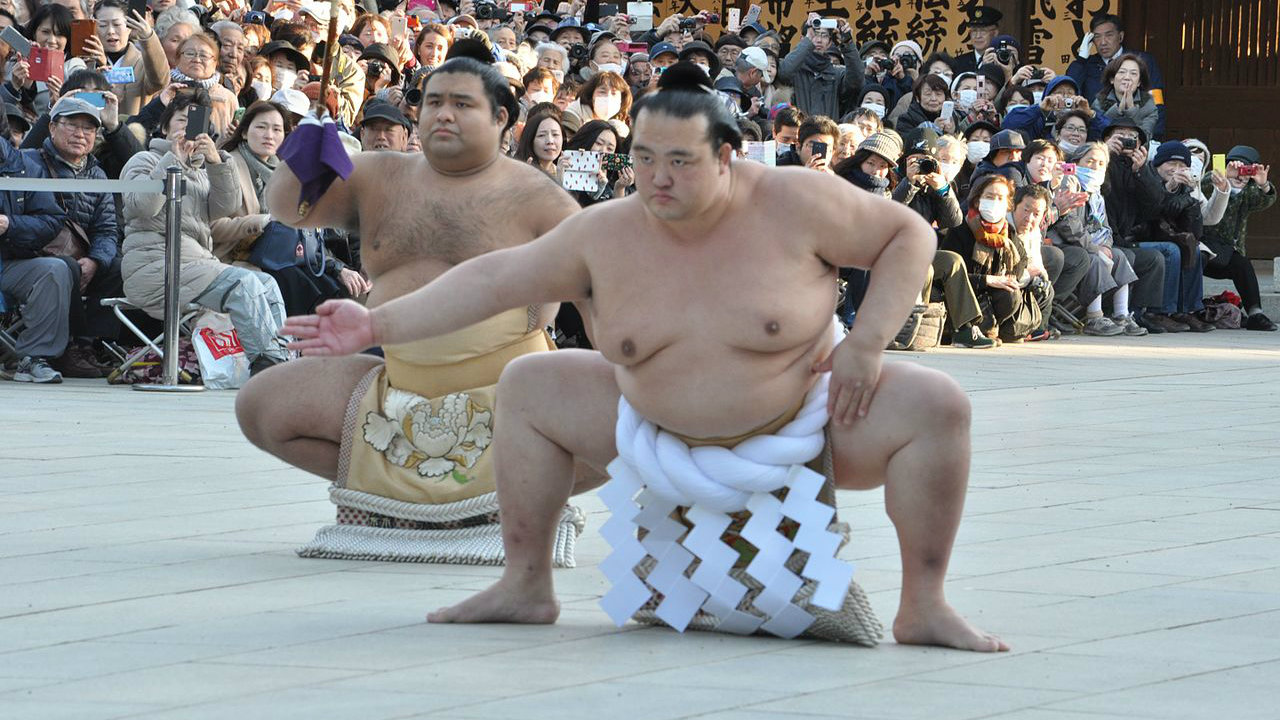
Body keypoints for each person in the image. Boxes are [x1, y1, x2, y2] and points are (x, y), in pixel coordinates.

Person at [281, 63, 1007, 653]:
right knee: (531, 382)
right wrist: (375, 322)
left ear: (726, 156)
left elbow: (909, 235)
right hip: (650, 428)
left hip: (808, 423)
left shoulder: (797, 201)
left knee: (937, 403)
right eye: (644, 159)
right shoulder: (607, 232)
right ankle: (525, 584)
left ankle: (925, 604)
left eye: (680, 162)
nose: (658, 178)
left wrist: (868, 343)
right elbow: (495, 279)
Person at [236, 58, 582, 546]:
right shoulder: (377, 175)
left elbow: (594, 288)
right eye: (434, 102)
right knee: (261, 406)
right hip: (399, 385)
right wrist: (305, 146)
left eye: (462, 104)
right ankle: (404, 498)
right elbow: (290, 208)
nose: (444, 114)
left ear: (501, 117)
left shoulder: (541, 198)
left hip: (509, 394)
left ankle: (509, 489)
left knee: (632, 422)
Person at [119, 89, 290, 375]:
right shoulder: (144, 161)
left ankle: (281, 359)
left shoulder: (200, 172)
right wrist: (172, 161)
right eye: (181, 121)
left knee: (267, 283)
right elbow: (143, 207)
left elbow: (226, 207)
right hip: (154, 267)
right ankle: (267, 366)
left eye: (195, 124)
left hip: (196, 265)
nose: (187, 129)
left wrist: (215, 162)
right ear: (164, 127)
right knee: (243, 284)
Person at [213, 100, 369, 317]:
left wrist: (338, 268)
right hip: (239, 258)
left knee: (339, 290)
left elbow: (309, 239)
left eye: (277, 129)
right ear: (245, 132)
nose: (269, 135)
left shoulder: (285, 171)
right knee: (306, 291)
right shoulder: (227, 165)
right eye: (261, 127)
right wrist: (264, 222)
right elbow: (213, 228)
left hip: (284, 257)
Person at [23, 96, 123, 378]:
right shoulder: (29, 162)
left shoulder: (98, 175)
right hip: (34, 255)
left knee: (116, 266)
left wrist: (95, 261)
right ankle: (67, 348)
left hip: (80, 256)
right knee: (65, 267)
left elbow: (107, 229)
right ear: (52, 127)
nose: (81, 134)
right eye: (72, 125)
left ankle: (87, 345)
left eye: (88, 128)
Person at [0, 107, 71, 383]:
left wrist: (10, 224)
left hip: (8, 262)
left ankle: (34, 357)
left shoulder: (24, 166)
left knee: (54, 270)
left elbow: (51, 220)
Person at [1200, 145, 1276, 331]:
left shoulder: (1248, 192)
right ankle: (1190, 309)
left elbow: (1264, 200)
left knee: (1243, 264)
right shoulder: (1213, 181)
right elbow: (1203, 184)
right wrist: (1225, 176)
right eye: (1237, 169)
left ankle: (1255, 313)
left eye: (1246, 171)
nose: (1240, 176)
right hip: (1204, 248)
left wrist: (1263, 185)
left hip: (1228, 254)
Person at [1144, 141, 1213, 332]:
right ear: (1159, 164)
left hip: (1165, 237)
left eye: (1182, 165)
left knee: (1193, 248)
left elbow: (1195, 232)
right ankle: (1160, 312)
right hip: (1139, 237)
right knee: (1172, 250)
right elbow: (1148, 216)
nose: (1176, 169)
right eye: (1171, 164)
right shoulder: (1146, 179)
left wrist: (1191, 199)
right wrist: (1168, 189)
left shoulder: (1185, 187)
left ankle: (1186, 310)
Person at [1066, 13, 1165, 138]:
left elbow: (1156, 102)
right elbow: (1069, 90)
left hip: (1135, 134)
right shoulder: (1086, 64)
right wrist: (1081, 59)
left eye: (1109, 35)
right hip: (1095, 136)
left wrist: (1155, 137)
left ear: (1120, 36)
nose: (1103, 42)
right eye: (1097, 37)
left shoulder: (1143, 61)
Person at [776, 13, 862, 120]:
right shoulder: (795, 70)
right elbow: (784, 73)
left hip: (828, 130)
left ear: (829, 43)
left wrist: (848, 43)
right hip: (799, 129)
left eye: (824, 35)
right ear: (803, 39)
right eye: (815, 34)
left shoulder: (836, 74)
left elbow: (856, 82)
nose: (819, 40)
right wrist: (808, 40)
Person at [90, 0, 168, 116]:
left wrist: (148, 37)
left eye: (117, 24)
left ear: (129, 27)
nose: (110, 31)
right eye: (103, 25)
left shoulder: (143, 62)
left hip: (133, 126)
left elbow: (160, 81)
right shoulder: (87, 63)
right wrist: (101, 65)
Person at [1090, 54, 1158, 143]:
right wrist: (1117, 111)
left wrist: (1131, 111)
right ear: (1112, 79)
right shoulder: (1099, 103)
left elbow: (1145, 139)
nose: (1127, 77)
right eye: (1122, 72)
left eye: (1133, 73)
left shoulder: (1148, 105)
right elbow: (1096, 137)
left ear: (1139, 82)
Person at [953, 5, 1001, 75]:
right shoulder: (957, 63)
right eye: (974, 31)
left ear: (995, 33)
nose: (978, 36)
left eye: (983, 31)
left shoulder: (1001, 60)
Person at [515, 107, 563, 175]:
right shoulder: (516, 171)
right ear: (530, 140)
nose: (550, 141)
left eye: (555, 134)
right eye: (541, 135)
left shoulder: (563, 172)